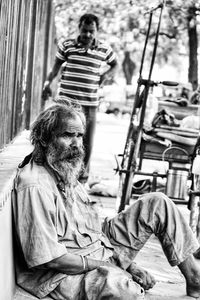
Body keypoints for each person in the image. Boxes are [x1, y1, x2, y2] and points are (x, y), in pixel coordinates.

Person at [12, 103, 200, 299]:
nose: (76, 144)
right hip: (62, 272)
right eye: (67, 135)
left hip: (98, 250)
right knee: (125, 290)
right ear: (44, 139)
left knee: (157, 203)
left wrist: (129, 265)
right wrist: (111, 267)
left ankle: (195, 279)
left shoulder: (62, 167)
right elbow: (52, 260)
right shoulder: (35, 186)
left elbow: (92, 231)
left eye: (80, 136)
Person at [42, 13, 118, 184]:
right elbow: (55, 69)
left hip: (89, 105)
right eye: (84, 31)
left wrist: (107, 75)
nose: (88, 35)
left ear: (97, 31)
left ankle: (80, 181)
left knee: (86, 144)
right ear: (79, 28)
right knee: (60, 139)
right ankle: (56, 173)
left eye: (91, 31)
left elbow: (115, 64)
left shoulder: (104, 49)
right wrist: (47, 84)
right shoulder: (67, 45)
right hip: (66, 105)